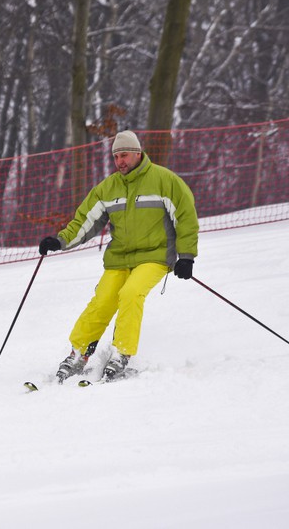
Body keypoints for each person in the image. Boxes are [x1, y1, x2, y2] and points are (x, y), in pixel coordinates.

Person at [39, 130, 198, 383]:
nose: (120, 161)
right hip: (120, 258)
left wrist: (186, 257)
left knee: (131, 293)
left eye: (124, 155)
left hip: (154, 256)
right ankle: (78, 353)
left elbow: (186, 218)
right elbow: (85, 221)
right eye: (115, 157)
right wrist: (59, 241)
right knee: (102, 300)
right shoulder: (108, 188)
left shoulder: (164, 180)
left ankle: (122, 353)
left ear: (137, 153)